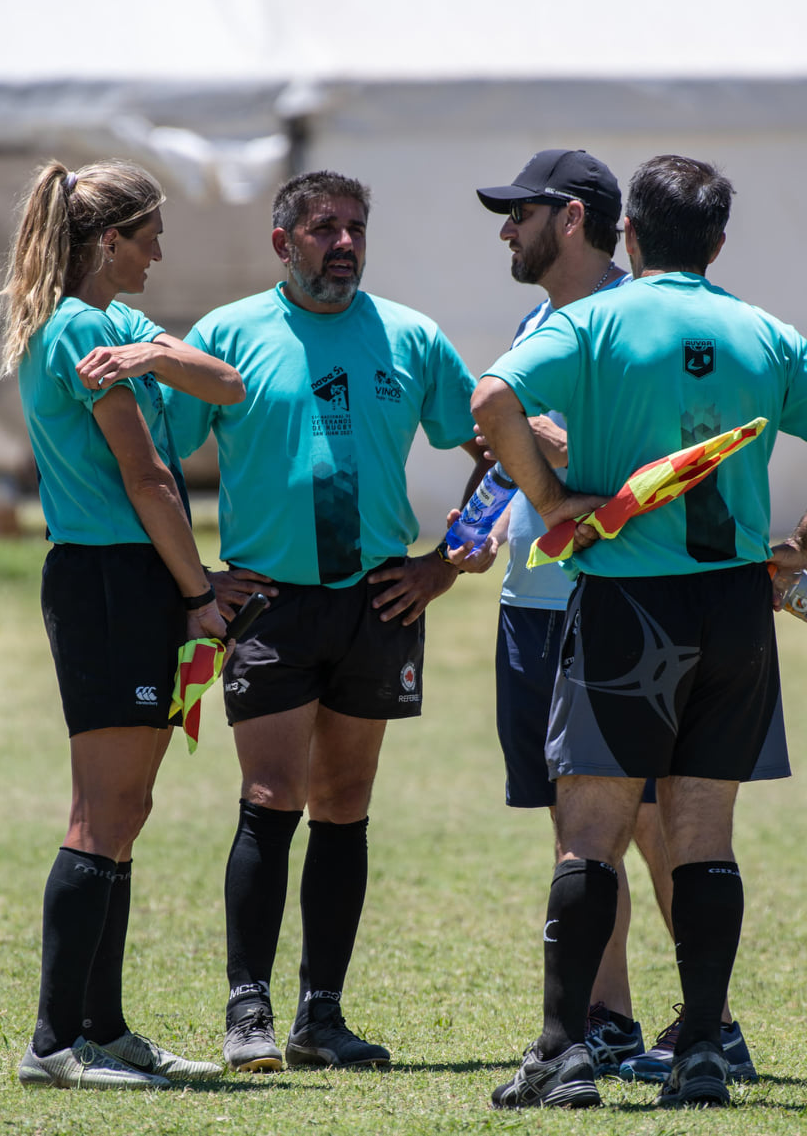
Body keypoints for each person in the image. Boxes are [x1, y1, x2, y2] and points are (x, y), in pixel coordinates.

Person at [473, 154, 807, 1109]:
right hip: (735, 612)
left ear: (628, 236)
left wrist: (550, 499)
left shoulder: (590, 322)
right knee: (704, 835)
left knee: (588, 832)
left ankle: (560, 1053)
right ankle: (701, 1050)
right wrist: (805, 543)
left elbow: (490, 401)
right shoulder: (763, 331)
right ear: (716, 242)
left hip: (628, 604)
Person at [459, 149, 786, 1086]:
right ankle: (610, 1022)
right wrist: (492, 515)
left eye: (518, 213)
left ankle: (700, 1026)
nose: (504, 228)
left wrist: (560, 474)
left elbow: (507, 409)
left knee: (638, 825)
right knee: (600, 820)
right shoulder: (554, 318)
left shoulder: (613, 317)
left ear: (580, 219)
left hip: (617, 597)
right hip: (552, 600)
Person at [164, 170, 489, 1072]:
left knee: (345, 804)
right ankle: (247, 1011)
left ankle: (322, 1015)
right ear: (282, 242)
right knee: (271, 796)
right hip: (270, 603)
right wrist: (198, 580)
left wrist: (441, 564)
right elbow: (150, 458)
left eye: (355, 229)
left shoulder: (410, 337)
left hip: (378, 600)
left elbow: (496, 452)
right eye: (323, 229)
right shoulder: (225, 338)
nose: (343, 244)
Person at [0, 159, 245, 1090]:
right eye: (150, 237)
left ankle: (102, 1028)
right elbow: (145, 477)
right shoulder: (76, 327)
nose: (160, 251)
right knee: (101, 815)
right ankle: (55, 1043)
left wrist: (151, 356)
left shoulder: (113, 326)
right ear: (111, 242)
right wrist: (198, 596)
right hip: (112, 581)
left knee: (127, 810)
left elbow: (226, 385)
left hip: (134, 579)